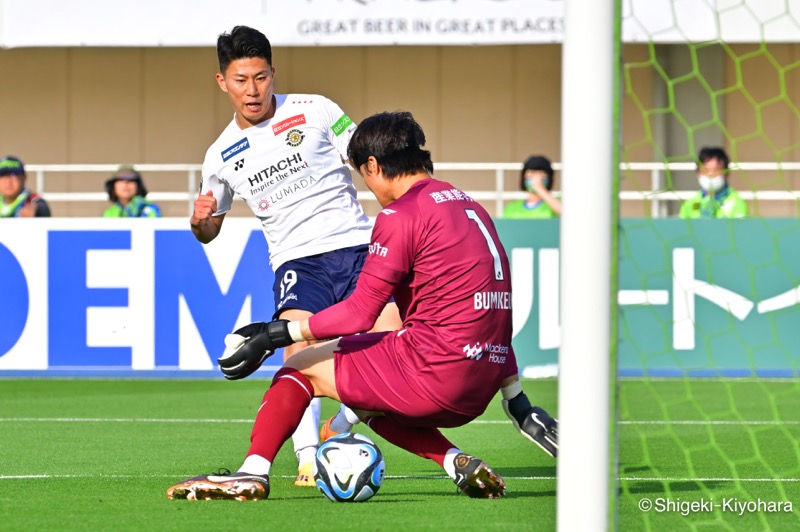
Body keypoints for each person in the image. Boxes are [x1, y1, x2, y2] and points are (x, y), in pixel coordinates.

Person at [166, 110, 558, 501]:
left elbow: (359, 314)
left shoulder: (401, 214)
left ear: (373, 165)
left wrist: (275, 333)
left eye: (363, 175)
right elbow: (495, 312)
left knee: (300, 365)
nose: (368, 187)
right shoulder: (469, 206)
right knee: (364, 396)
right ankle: (453, 460)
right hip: (483, 386)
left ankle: (253, 471)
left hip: (438, 376)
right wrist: (518, 403)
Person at [187, 25, 401, 487]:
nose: (253, 90)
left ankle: (338, 428)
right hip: (299, 263)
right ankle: (306, 458)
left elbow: (367, 162)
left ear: (273, 74)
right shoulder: (220, 154)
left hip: (359, 247)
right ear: (222, 82)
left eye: (261, 77)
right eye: (241, 80)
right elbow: (210, 229)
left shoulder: (315, 109)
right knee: (298, 349)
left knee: (396, 350)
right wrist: (201, 221)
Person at [679, 146, 748, 219]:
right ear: (698, 172)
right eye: (705, 170)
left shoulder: (736, 202)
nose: (711, 174)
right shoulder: (690, 204)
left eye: (717, 170)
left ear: (726, 172)